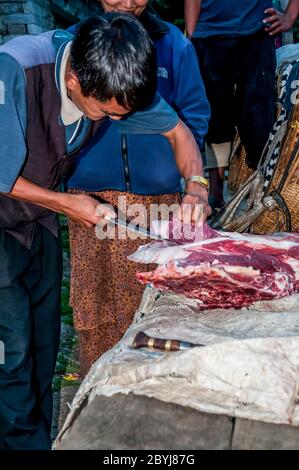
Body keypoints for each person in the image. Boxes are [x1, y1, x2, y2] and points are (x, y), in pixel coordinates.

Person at [0, 13, 209, 450]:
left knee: (42, 344)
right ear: (74, 80)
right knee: (12, 353)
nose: (117, 119)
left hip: (36, 223)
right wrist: (67, 202)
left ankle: (38, 437)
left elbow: (178, 133)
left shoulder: (113, 72)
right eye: (107, 113)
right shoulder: (15, 69)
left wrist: (196, 188)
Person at [65, 0, 211, 377]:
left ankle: (155, 397)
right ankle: (97, 398)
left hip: (159, 205)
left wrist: (190, 182)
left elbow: (193, 116)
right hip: (93, 203)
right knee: (95, 314)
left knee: (160, 312)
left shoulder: (175, 44)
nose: (128, 2)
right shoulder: (79, 45)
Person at [184, 0, 299, 209]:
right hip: (208, 35)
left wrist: (290, 15)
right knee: (214, 117)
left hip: (256, 33)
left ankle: (260, 194)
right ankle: (216, 194)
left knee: (259, 118)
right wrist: (192, 35)